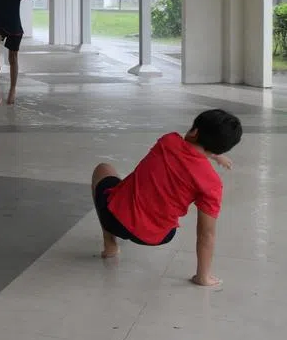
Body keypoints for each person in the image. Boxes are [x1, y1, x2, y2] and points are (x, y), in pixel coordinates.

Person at [91, 110, 242, 285]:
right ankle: (202, 276)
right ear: (222, 147)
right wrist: (203, 276)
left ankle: (110, 245)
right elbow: (206, 234)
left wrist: (213, 154)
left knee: (103, 169)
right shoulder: (212, 183)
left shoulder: (168, 141)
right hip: (159, 236)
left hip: (114, 220)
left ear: (194, 132)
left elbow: (187, 147)